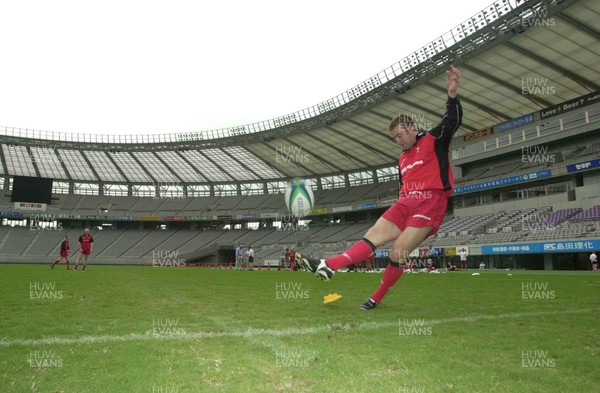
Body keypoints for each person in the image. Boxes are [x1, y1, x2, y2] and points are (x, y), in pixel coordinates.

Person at [296, 65, 462, 310]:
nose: (398, 141)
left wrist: (452, 95)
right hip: (404, 202)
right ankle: (329, 265)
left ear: (413, 128)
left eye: (400, 135)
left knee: (397, 253)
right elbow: (402, 186)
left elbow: (452, 120)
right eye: (394, 138)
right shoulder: (402, 159)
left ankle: (376, 297)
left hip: (430, 202)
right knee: (373, 234)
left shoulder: (434, 140)